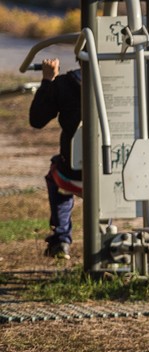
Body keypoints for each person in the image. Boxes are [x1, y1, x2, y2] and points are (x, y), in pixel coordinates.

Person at [29, 57, 82, 259]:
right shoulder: (128, 84)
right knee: (108, 180)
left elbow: (37, 119)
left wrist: (48, 80)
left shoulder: (65, 85)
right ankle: (106, 231)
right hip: (117, 172)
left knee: (56, 173)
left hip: (72, 173)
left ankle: (61, 238)